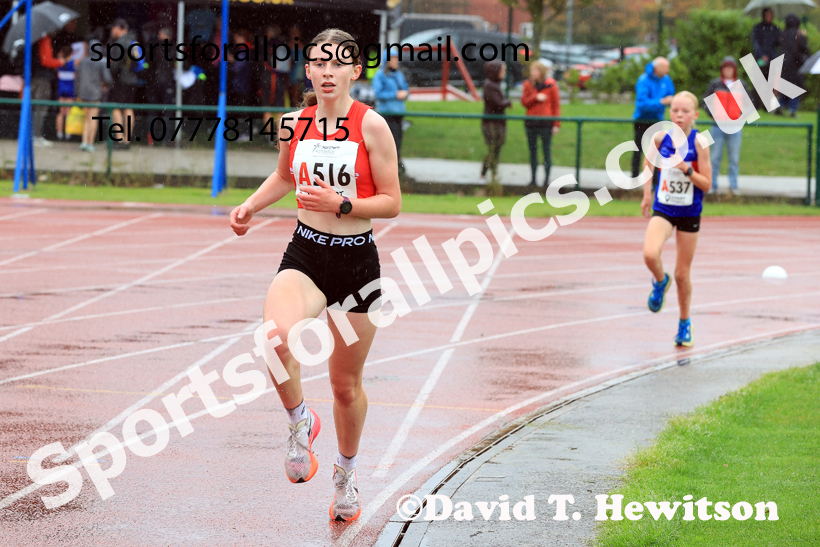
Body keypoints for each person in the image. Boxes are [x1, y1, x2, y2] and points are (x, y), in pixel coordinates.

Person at [229, 28, 401, 522]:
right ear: (307, 70)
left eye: (338, 63)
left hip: (356, 263)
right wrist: (251, 205)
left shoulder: (372, 126)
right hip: (306, 253)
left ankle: (346, 475)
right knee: (273, 338)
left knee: (345, 386)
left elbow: (392, 202)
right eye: (319, 63)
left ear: (355, 71)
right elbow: (285, 176)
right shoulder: (293, 125)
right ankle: (299, 421)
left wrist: (341, 203)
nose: (328, 72)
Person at [640, 91, 712, 347]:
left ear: (695, 115)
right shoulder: (660, 138)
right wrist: (646, 194)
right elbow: (648, 165)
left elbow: (707, 184)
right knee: (650, 254)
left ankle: (684, 323)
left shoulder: (700, 142)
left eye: (685, 111)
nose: (679, 115)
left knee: (682, 275)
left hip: (690, 211)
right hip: (664, 208)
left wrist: (686, 168)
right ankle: (661, 281)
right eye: (675, 111)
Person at [702, 56, 749, 196]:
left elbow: (749, 104)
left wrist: (741, 117)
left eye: (730, 67)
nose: (728, 70)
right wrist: (712, 114)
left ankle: (733, 186)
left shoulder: (741, 85)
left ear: (734, 70)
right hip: (718, 126)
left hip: (735, 127)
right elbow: (705, 102)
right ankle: (712, 185)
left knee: (734, 159)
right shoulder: (715, 84)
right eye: (725, 67)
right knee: (714, 158)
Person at [632, 57, 675, 178]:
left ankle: (656, 180)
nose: (667, 70)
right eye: (665, 67)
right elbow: (642, 104)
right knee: (638, 149)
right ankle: (635, 177)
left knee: (657, 150)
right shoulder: (644, 80)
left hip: (657, 120)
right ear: (657, 67)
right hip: (642, 119)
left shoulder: (666, 79)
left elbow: (670, 95)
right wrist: (660, 102)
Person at [521, 60, 560, 187]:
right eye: (531, 70)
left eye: (535, 70)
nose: (532, 73)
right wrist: (535, 97)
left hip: (545, 123)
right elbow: (524, 102)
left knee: (546, 151)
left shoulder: (551, 85)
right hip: (531, 122)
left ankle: (546, 180)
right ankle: (533, 179)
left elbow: (556, 106)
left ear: (541, 72)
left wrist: (556, 124)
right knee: (533, 151)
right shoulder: (528, 85)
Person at [372, 49, 410, 176]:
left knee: (398, 140)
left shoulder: (399, 74)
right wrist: (395, 94)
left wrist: (404, 94)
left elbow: (405, 89)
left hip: (398, 113)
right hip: (386, 114)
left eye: (396, 58)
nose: (395, 61)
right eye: (393, 58)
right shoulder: (380, 75)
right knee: (388, 142)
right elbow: (378, 93)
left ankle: (397, 164)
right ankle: (387, 167)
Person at [30, 32, 69, 146]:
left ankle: (33, 135)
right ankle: (36, 136)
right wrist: (60, 62)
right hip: (42, 79)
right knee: (40, 108)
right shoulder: (45, 40)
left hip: (36, 77)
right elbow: (45, 60)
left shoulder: (37, 39)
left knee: (36, 108)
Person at [75, 38, 113, 152]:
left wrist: (77, 93)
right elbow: (108, 79)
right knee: (93, 119)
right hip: (95, 93)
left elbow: (77, 79)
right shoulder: (102, 61)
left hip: (83, 93)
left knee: (87, 119)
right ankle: (90, 143)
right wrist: (106, 86)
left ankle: (84, 141)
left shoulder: (83, 62)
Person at [108, 18, 139, 149]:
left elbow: (115, 65)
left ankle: (119, 140)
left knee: (116, 108)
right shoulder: (133, 41)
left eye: (113, 28)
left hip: (121, 80)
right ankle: (127, 140)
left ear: (118, 28)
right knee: (128, 109)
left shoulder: (119, 43)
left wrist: (109, 75)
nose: (111, 31)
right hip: (133, 80)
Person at [480, 60, 511, 183]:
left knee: (497, 148)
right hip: (492, 123)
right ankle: (484, 174)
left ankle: (494, 173)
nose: (504, 73)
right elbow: (497, 103)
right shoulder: (489, 85)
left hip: (498, 122)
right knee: (493, 149)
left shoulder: (495, 84)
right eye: (503, 70)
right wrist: (507, 103)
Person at [780, 14, 811, 117]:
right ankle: (792, 110)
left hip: (784, 64)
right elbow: (805, 50)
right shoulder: (799, 34)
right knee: (795, 87)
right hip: (796, 65)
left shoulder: (783, 34)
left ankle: (781, 106)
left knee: (785, 86)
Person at [751, 8, 782, 108]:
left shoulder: (775, 29)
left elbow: (778, 44)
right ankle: (756, 105)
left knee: (770, 83)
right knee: (758, 82)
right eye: (767, 15)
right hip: (760, 59)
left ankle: (767, 105)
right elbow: (755, 43)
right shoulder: (758, 28)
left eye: (771, 15)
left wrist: (780, 39)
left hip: (772, 59)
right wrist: (761, 55)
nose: (769, 17)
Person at [55, 46, 77, 142]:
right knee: (68, 112)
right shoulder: (74, 63)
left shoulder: (59, 62)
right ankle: (68, 133)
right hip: (70, 89)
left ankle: (59, 133)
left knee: (61, 112)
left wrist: (60, 56)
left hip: (61, 89)